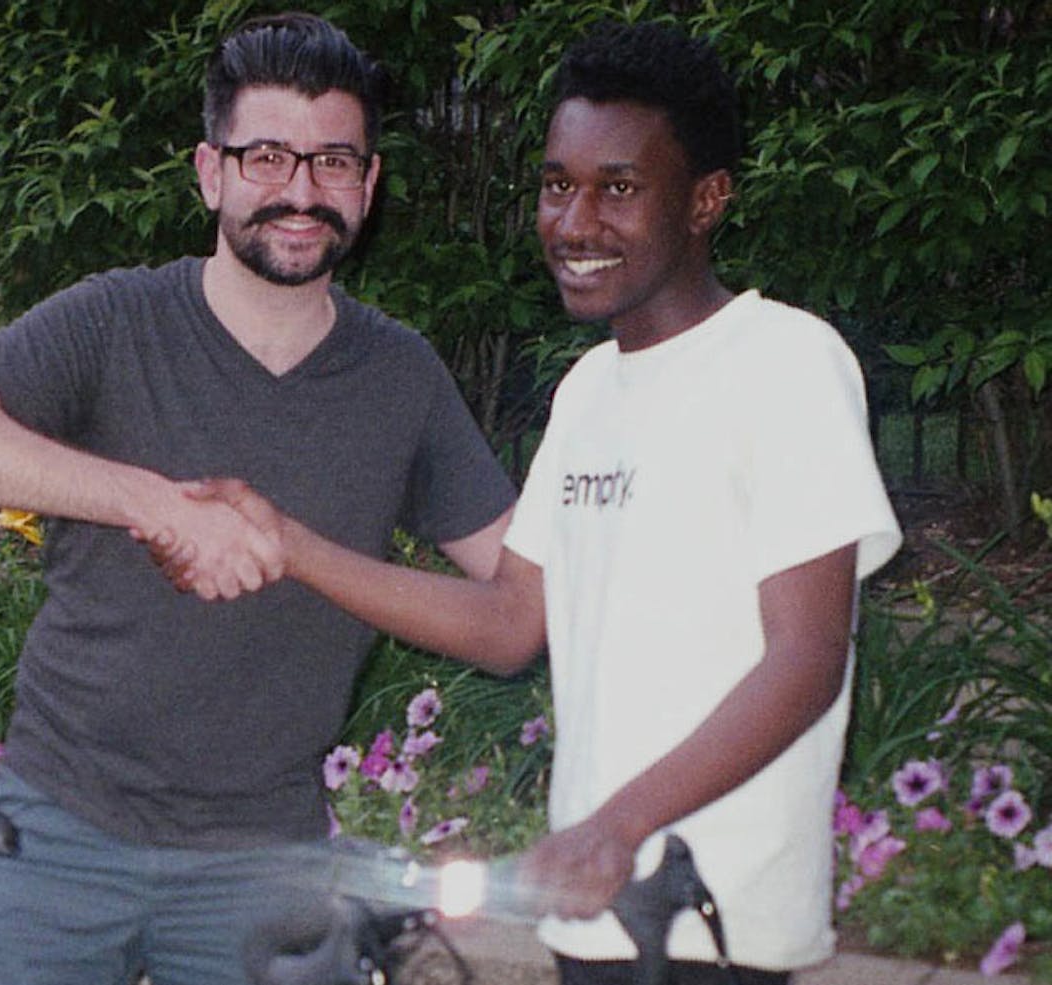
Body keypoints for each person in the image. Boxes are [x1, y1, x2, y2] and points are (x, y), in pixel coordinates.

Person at [162, 20, 903, 985]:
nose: (575, 221)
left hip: (709, 918)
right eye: (558, 184)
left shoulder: (786, 363)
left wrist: (617, 826)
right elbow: (513, 621)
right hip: (589, 916)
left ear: (706, 201)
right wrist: (290, 542)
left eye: (619, 188)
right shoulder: (590, 392)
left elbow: (806, 658)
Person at [0, 12, 515, 985]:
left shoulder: (402, 378)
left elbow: (515, 595)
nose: (300, 191)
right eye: (266, 156)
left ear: (369, 184)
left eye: (334, 161)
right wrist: (154, 502)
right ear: (210, 172)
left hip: (263, 857)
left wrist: (300, 549)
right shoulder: (113, 318)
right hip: (57, 834)